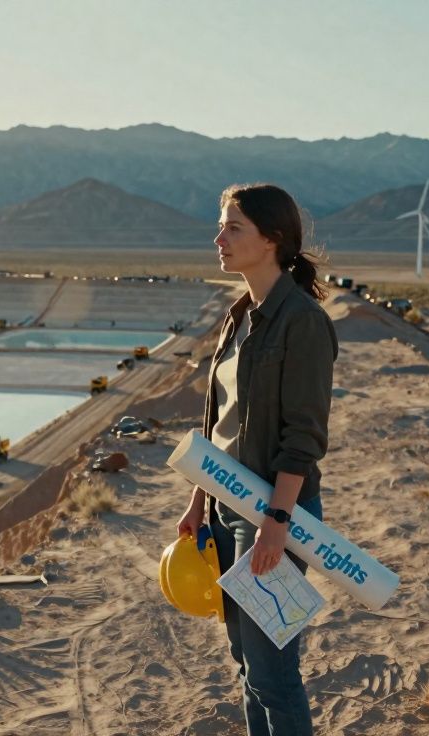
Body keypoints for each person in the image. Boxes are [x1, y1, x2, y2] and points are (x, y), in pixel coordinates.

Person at [176, 183, 338, 736]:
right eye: (220, 226)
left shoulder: (302, 321)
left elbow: (304, 436)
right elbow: (216, 421)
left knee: (273, 672)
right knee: (246, 664)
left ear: (271, 239)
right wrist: (198, 500)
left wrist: (277, 523)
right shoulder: (239, 315)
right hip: (225, 509)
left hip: (272, 513)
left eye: (233, 227)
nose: (218, 239)